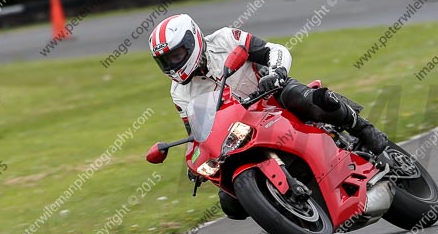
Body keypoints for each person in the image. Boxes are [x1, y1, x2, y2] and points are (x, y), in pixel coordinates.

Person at [148, 13, 388, 220]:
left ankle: (362, 128)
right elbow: (196, 132)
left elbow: (273, 50)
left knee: (306, 98)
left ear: (193, 41)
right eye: (165, 61)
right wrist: (197, 162)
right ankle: (286, 208)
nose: (172, 64)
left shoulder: (224, 39)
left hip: (272, 96)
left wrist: (277, 72)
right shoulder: (178, 92)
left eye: (176, 55)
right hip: (238, 131)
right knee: (230, 203)